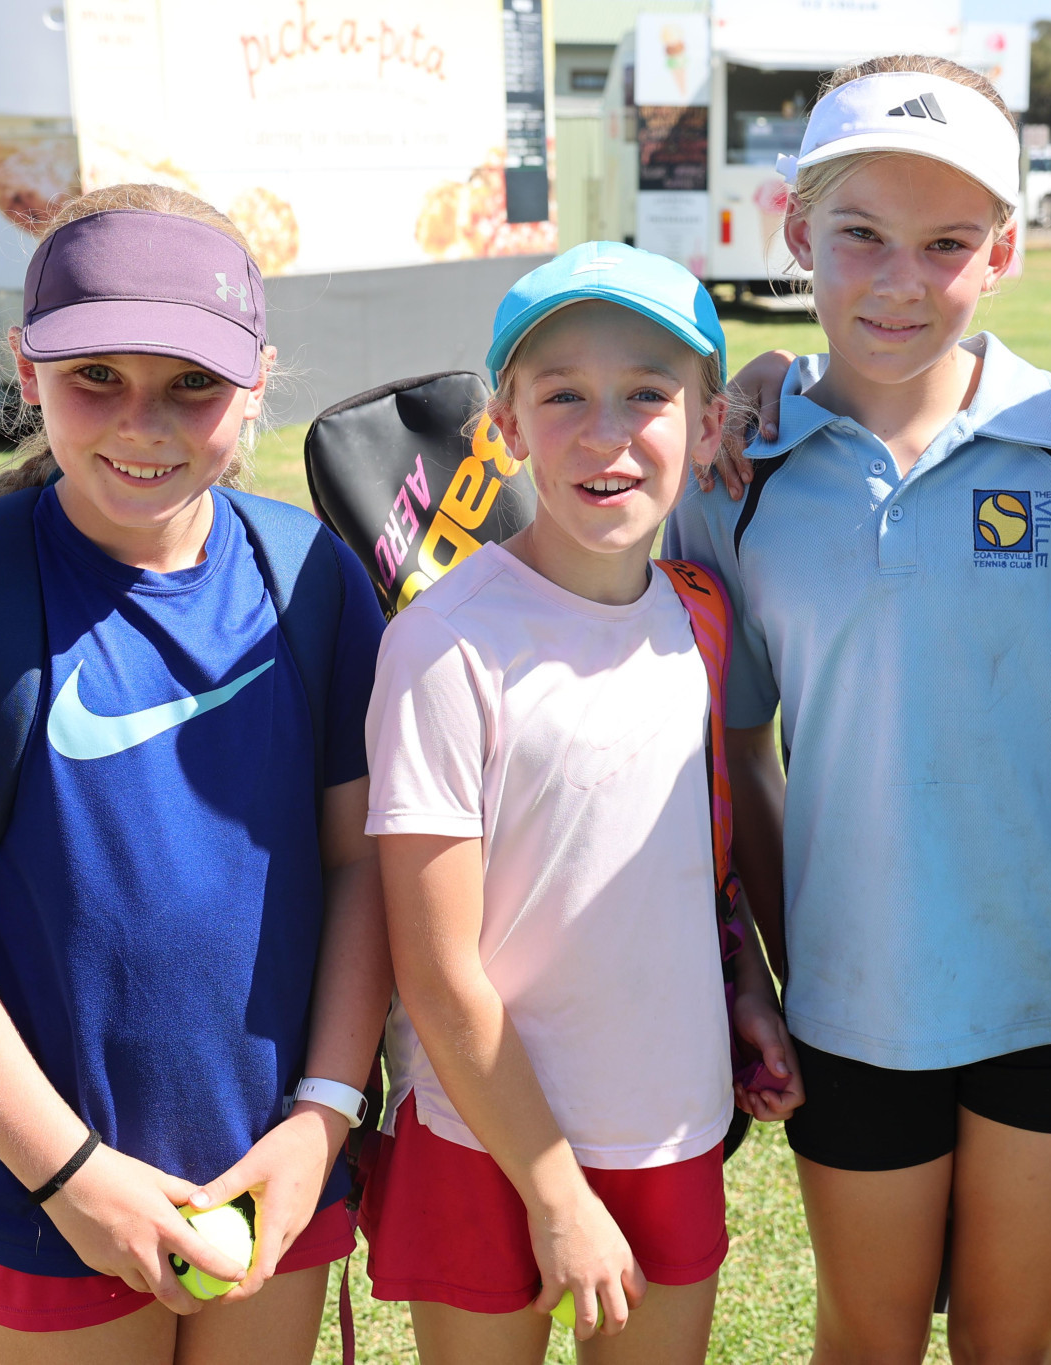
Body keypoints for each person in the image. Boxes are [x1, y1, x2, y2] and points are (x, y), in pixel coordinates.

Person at [0, 184, 392, 1364]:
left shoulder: (312, 581)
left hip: (270, 1171)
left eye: (192, 382)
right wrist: (71, 1176)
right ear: (28, 371)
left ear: (256, 380)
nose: (144, 423)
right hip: (44, 1189)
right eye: (98, 378)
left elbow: (357, 868)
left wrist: (320, 1120)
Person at [667, 55, 1051, 1364]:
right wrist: (786, 953)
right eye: (860, 237)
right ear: (794, 231)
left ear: (1002, 249)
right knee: (867, 1336)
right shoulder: (740, 465)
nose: (897, 279)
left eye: (944, 244)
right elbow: (737, 745)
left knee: (1016, 1341)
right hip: (855, 1007)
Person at [358, 242, 802, 1365]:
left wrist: (742, 980)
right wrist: (553, 1194)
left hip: (667, 1123)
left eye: (647, 395)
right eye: (563, 397)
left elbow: (687, 859)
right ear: (504, 424)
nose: (606, 434)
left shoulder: (697, 616)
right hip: (486, 1133)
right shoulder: (444, 643)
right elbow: (436, 967)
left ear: (707, 427)